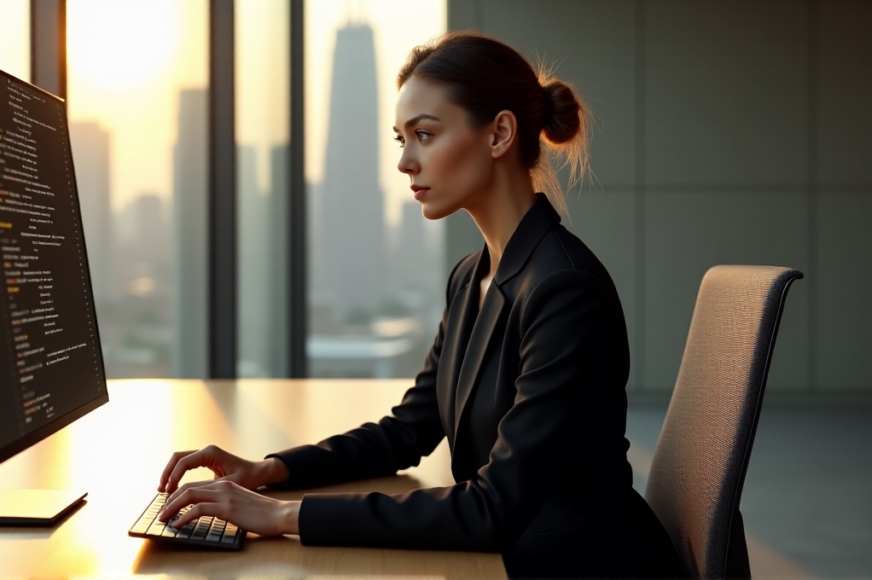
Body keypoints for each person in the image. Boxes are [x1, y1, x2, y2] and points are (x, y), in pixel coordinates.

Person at [156, 32, 684, 579]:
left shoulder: (563, 289)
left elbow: (493, 507)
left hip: (582, 565)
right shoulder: (471, 276)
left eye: (425, 135)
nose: (406, 161)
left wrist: (282, 515)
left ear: (500, 133)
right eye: (400, 139)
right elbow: (406, 431)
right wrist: (268, 471)